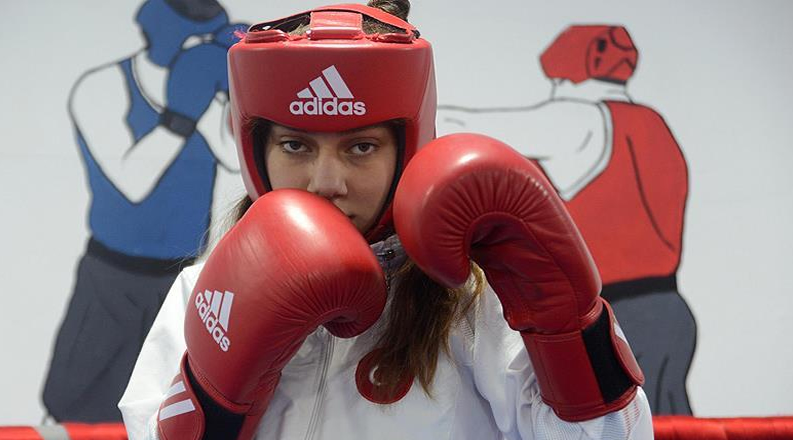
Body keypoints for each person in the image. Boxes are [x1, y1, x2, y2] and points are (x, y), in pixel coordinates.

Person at [119, 2, 654, 439]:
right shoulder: (204, 290)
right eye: (295, 145)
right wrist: (215, 400)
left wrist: (566, 329)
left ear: (407, 146)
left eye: (361, 146)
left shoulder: (473, 295)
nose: (326, 181)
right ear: (256, 149)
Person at [437, 25, 695, 415]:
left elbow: (455, 129)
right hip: (668, 309)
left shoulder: (581, 116)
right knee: (667, 426)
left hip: (619, 316)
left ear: (561, 75)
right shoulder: (649, 122)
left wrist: (381, 113)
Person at [43, 0, 247, 422]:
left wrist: (243, 94)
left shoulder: (200, 84)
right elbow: (132, 182)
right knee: (76, 406)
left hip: (184, 281)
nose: (195, 43)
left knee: (175, 412)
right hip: (111, 279)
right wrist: (179, 115)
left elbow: (237, 160)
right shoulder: (103, 85)